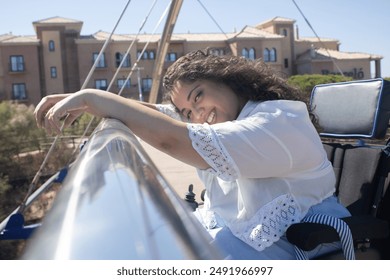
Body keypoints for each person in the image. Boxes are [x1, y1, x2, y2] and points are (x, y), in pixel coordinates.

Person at [34, 49, 351, 259]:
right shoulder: (234, 117)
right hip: (250, 234)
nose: (197, 113)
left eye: (198, 95)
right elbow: (166, 116)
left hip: (298, 243)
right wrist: (91, 101)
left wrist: (93, 96)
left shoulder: (277, 120)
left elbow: (174, 139)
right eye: (188, 110)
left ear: (230, 82)